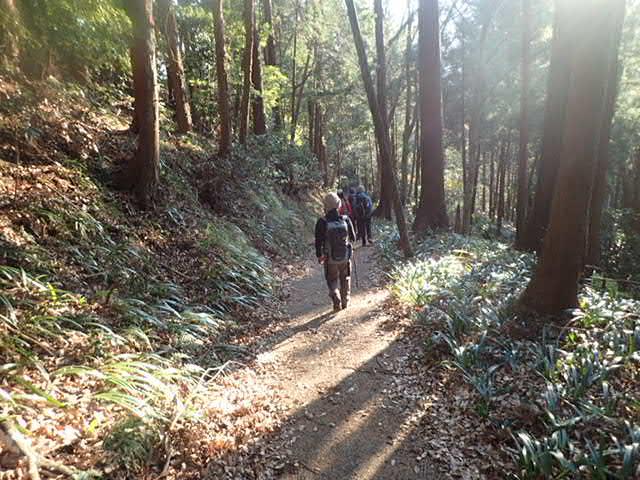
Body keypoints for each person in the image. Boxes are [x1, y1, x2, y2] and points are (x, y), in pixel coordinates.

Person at [315, 192, 356, 312]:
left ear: (325, 206)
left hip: (330, 258)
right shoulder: (346, 219)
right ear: (338, 205)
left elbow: (318, 241)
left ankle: (335, 296)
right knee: (345, 277)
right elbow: (353, 237)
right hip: (345, 256)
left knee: (332, 279)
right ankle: (345, 300)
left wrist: (319, 255)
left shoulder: (322, 222)